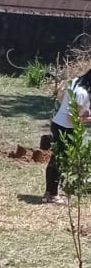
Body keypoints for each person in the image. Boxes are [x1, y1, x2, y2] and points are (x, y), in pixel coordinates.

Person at [44, 68, 91, 203]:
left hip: (58, 124)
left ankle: (50, 192)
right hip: (65, 128)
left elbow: (63, 99)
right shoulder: (82, 93)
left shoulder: (75, 82)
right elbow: (72, 119)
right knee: (58, 161)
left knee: (56, 160)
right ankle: (52, 195)